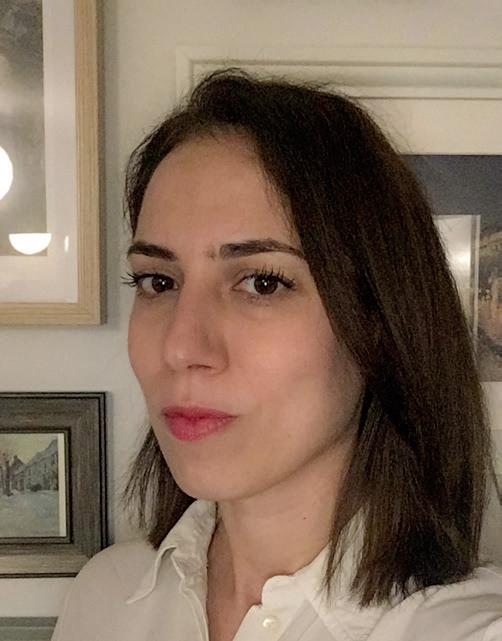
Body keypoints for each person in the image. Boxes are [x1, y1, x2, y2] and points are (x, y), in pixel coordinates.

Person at [51, 68, 502, 641]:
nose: (181, 347)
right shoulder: (106, 598)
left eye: (262, 283)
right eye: (158, 282)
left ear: (377, 321)